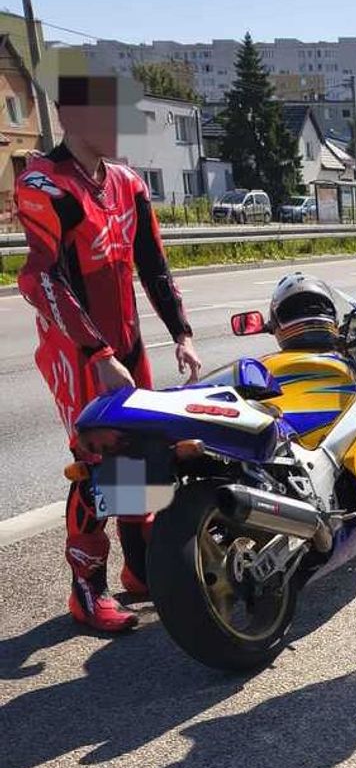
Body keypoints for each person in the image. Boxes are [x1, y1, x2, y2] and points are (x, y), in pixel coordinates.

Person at [15, 74, 201, 633]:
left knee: (141, 449)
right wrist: (93, 349)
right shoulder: (44, 184)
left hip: (127, 339)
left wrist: (182, 332)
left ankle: (140, 572)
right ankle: (86, 591)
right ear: (71, 118)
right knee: (98, 460)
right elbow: (40, 276)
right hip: (76, 348)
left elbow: (154, 265)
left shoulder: (126, 183)